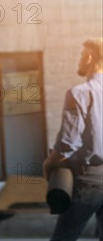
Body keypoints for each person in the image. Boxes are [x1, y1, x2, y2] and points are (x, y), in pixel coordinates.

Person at [43, 38, 103, 241]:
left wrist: (49, 163)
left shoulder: (78, 93)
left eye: (80, 55)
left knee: (63, 238)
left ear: (89, 58)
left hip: (89, 181)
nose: (78, 60)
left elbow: (68, 143)